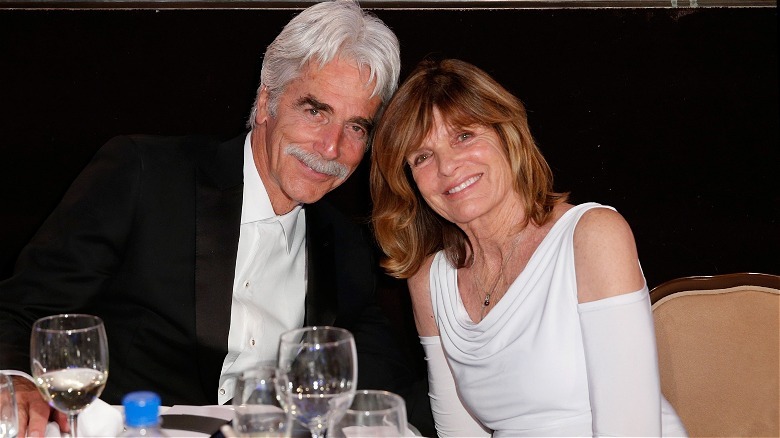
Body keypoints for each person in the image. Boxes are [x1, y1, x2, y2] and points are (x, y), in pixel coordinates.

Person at [0, 1, 424, 436]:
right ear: (266, 103)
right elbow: (21, 310)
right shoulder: (145, 175)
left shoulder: (344, 244)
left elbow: (382, 374)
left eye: (355, 127)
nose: (331, 148)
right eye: (315, 111)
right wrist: (18, 380)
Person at [370, 58, 688, 437]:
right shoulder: (429, 280)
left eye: (464, 136)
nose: (448, 166)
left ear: (507, 134)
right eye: (422, 157)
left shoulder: (592, 236)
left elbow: (632, 431)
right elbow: (460, 433)